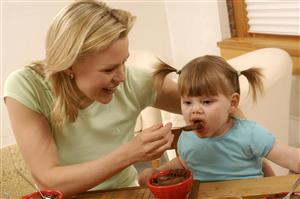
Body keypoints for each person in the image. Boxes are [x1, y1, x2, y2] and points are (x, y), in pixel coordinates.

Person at [3, 0, 181, 196]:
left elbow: (210, 101)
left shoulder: (133, 80)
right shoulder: (27, 86)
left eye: (124, 61)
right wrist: (129, 153)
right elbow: (50, 182)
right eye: (109, 69)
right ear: (69, 65)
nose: (122, 77)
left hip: (126, 192)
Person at [138, 55, 300, 186]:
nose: (195, 109)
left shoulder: (250, 134)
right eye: (188, 102)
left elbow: (291, 158)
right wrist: (155, 173)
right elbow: (183, 164)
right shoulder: (188, 137)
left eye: (207, 102)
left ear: (232, 103)